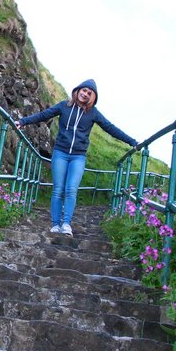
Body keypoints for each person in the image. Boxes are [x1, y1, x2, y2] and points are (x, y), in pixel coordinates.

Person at [15, 79, 138, 236]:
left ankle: (66, 224)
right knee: (58, 189)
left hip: (78, 156)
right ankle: (55, 224)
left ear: (92, 97)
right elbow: (44, 115)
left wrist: (132, 142)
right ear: (78, 90)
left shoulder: (93, 113)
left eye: (89, 92)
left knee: (71, 189)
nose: (85, 94)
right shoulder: (64, 106)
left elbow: (110, 128)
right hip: (60, 152)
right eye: (84, 90)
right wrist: (23, 121)